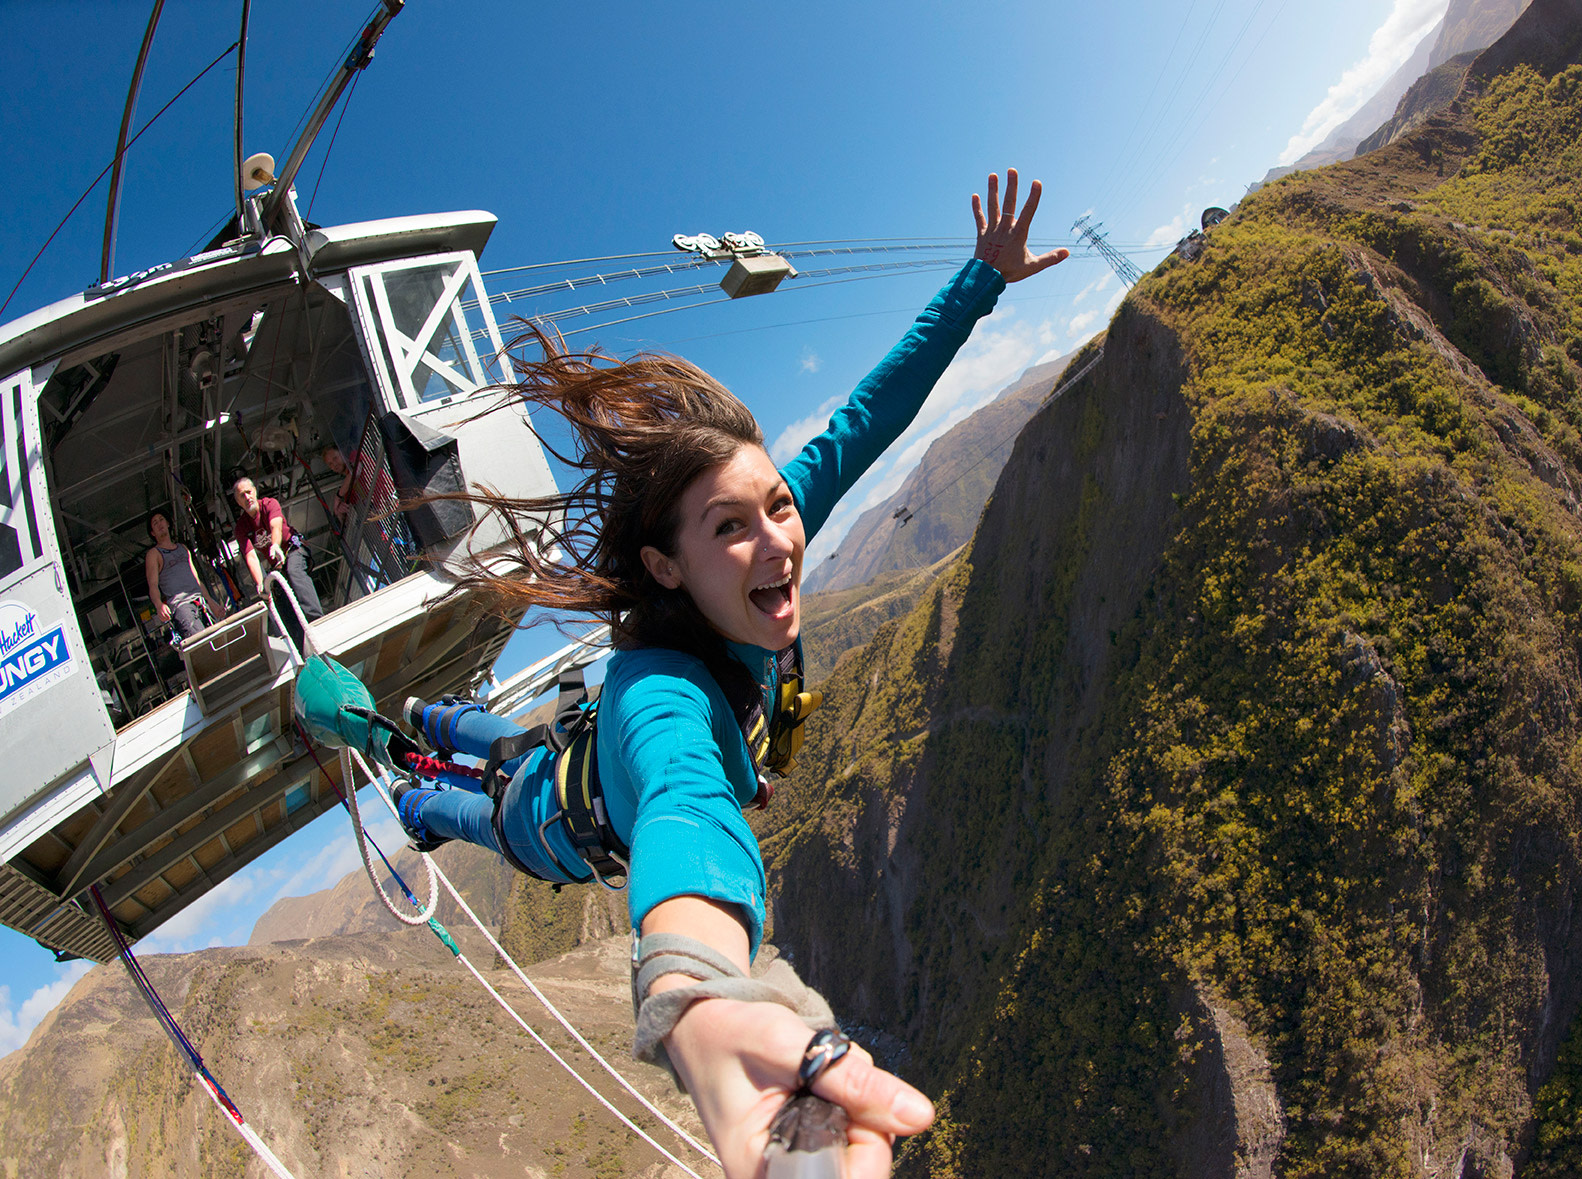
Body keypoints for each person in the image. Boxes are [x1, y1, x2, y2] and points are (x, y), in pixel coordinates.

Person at [325, 171, 1065, 1178]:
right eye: (731, 527)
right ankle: (407, 770)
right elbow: (680, 803)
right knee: (461, 804)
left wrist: (977, 283)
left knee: (493, 740)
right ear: (666, 566)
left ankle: (434, 724)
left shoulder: (758, 541)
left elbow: (868, 414)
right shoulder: (659, 694)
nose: (778, 542)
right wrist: (701, 991)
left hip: (570, 750)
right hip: (550, 822)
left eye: (777, 507)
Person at [232, 475, 324, 643]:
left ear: (255, 491)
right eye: (241, 496)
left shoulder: (269, 504)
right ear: (238, 502)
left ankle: (316, 621)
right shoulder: (241, 527)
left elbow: (276, 525)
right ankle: (298, 641)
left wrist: (275, 544)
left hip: (293, 549)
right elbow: (250, 555)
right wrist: (260, 583)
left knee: (294, 571)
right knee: (276, 595)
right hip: (278, 564)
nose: (247, 497)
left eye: (248, 492)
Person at [144, 510, 221, 642]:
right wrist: (158, 605)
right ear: (152, 533)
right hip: (182, 607)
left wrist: (210, 601)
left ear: (168, 523)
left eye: (161, 519)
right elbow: (153, 585)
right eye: (155, 523)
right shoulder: (154, 554)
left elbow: (197, 579)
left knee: (218, 641)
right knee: (202, 644)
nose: (159, 524)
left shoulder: (183, 548)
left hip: (201, 602)